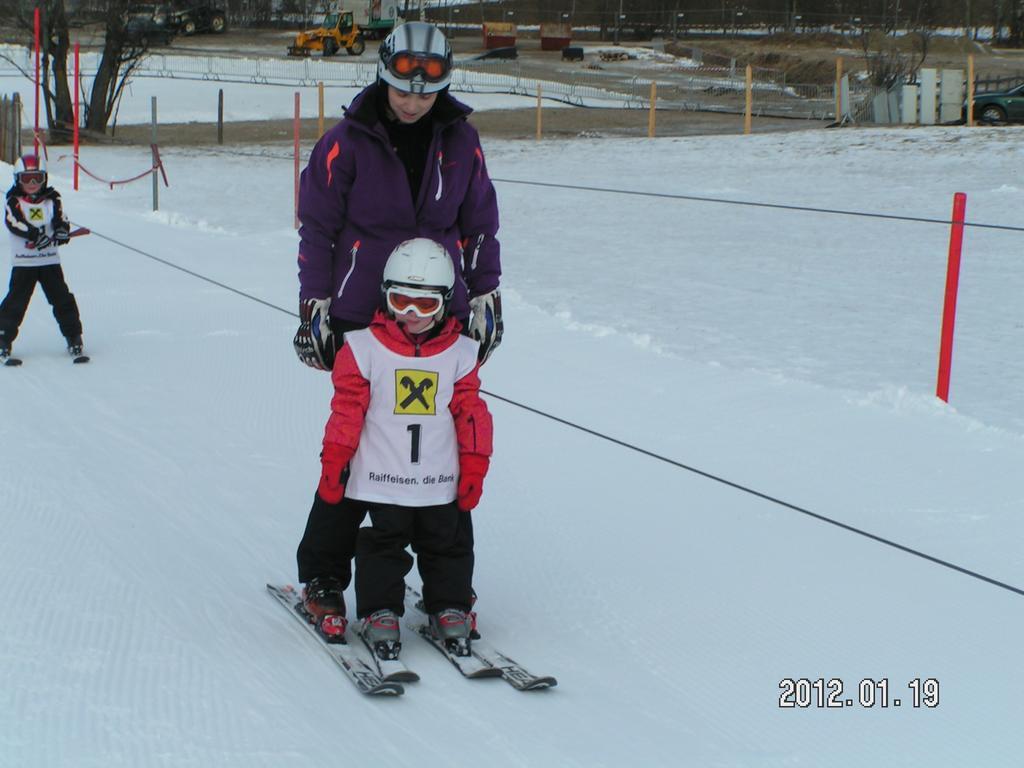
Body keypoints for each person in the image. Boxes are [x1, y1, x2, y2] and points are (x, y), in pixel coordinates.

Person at [293, 21, 502, 630]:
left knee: (440, 439)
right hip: (363, 311)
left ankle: (446, 582)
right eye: (403, 89)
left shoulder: (462, 142)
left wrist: (486, 291)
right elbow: (317, 229)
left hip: (438, 311)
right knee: (358, 442)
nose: (414, 102)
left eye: (427, 92)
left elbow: (480, 221)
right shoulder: (345, 142)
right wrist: (317, 305)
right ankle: (326, 573)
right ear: (384, 77)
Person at [314, 238, 492, 660]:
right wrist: (335, 461)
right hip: (381, 477)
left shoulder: (462, 354)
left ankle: (449, 603)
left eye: (424, 306)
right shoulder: (361, 349)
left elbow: (471, 415)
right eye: (400, 301)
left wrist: (474, 464)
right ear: (384, 296)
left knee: (448, 543)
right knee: (381, 545)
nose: (410, 315)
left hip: (438, 478)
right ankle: (380, 610)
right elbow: (346, 411)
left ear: (445, 304)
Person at [1, 153, 84, 363]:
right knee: (16, 301)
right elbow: (15, 223)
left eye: (36, 178)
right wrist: (36, 236)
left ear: (44, 178)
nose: (32, 184)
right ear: (17, 179)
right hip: (25, 262)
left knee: (62, 299)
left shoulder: (52, 200)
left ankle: (73, 336)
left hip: (49, 261)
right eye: (26, 179)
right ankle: (3, 339)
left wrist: (62, 231)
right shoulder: (14, 201)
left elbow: (61, 219)